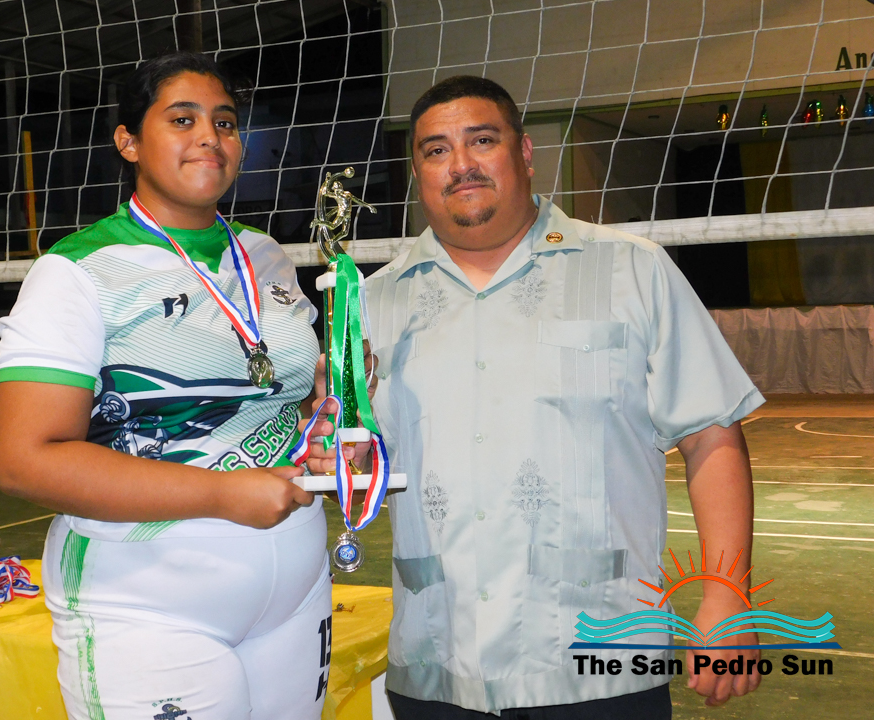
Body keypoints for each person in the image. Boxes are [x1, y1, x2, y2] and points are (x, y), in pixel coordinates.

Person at [303, 75, 764, 718]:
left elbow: (712, 436)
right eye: (436, 150)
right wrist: (339, 462)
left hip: (600, 670)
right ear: (417, 173)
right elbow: (360, 474)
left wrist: (727, 597)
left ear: (524, 152)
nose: (460, 164)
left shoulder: (632, 270)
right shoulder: (369, 305)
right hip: (436, 669)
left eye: (481, 140)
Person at [0, 52, 331, 720]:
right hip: (145, 601)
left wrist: (331, 404)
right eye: (182, 120)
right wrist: (221, 494)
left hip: (294, 589)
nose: (210, 137)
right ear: (128, 142)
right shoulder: (78, 271)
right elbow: (23, 461)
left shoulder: (265, 255)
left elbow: (279, 398)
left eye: (225, 122)